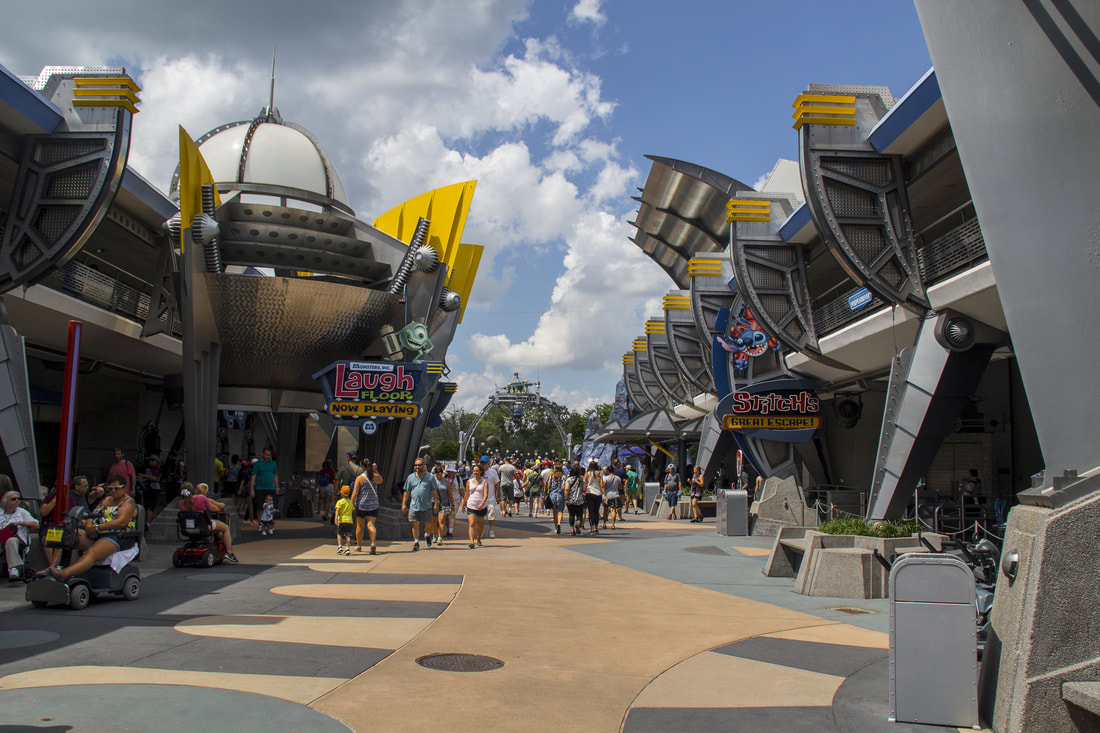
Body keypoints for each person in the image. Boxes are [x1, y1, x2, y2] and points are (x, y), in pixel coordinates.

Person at [37, 474, 141, 581]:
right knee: (67, 534)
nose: (113, 491)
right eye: (111, 489)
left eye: (116, 489)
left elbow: (121, 522)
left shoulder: (128, 502)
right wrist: (88, 526)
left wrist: (97, 527)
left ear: (123, 487)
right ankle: (52, 567)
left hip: (117, 535)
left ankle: (64, 574)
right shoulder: (106, 500)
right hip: (97, 533)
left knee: (91, 553)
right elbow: (91, 515)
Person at [182, 482, 239, 563]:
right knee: (225, 528)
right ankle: (229, 552)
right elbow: (214, 508)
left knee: (216, 531)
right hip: (204, 525)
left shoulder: (181, 503)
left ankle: (210, 543)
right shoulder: (201, 498)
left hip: (188, 528)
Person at [402, 458, 439, 552]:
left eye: (419, 465)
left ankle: (427, 535)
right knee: (415, 524)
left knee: (428, 525)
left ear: (423, 466)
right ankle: (416, 542)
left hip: (426, 505)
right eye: (416, 465)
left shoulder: (430, 477)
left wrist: (436, 503)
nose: (417, 467)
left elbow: (434, 491)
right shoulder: (410, 477)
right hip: (414, 505)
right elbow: (407, 492)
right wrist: (403, 504)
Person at [1, 490, 38, 581]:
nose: (17, 501)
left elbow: (36, 524)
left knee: (11, 540)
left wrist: (21, 522)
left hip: (18, 539)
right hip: (1, 538)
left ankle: (13, 568)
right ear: (6, 502)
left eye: (18, 499)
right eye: (13, 499)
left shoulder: (21, 512)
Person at [351, 458, 380, 554]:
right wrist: (375, 471)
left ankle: (359, 546)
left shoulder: (360, 478)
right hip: (373, 505)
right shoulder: (375, 476)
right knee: (371, 524)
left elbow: (355, 493)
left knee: (360, 525)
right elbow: (381, 481)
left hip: (361, 505)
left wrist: (351, 504)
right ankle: (372, 543)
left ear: (362, 467)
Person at [462, 463, 490, 548]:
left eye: (477, 471)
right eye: (474, 471)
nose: (475, 472)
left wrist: (482, 503)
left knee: (480, 523)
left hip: (481, 506)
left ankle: (478, 538)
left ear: (481, 472)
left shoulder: (485, 482)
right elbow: (467, 493)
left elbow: (485, 494)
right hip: (471, 504)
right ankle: (471, 541)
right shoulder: (469, 482)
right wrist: (463, 504)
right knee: (472, 523)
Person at [249, 448, 278, 521]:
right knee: (260, 506)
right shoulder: (258, 463)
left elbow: (275, 476)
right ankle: (260, 523)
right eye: (266, 455)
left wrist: (277, 488)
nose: (267, 456)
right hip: (260, 488)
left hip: (271, 488)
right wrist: (252, 489)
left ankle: (270, 523)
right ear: (263, 454)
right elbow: (253, 476)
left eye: (269, 455)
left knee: (272, 506)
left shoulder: (273, 463)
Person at [333, 453, 361, 521]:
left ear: (348, 457)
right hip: (355, 493)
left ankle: (340, 528)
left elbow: (337, 481)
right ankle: (355, 529)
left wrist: (334, 493)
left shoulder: (343, 468)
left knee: (341, 511)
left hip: (344, 494)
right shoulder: (360, 469)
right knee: (354, 513)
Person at [480, 456, 501, 540]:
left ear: (488, 463)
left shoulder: (493, 472)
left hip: (490, 497)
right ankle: (480, 531)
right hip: (480, 498)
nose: (483, 464)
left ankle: (491, 529)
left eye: (485, 462)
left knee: (491, 513)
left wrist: (498, 495)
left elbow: (497, 483)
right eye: (482, 462)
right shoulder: (478, 471)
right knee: (480, 516)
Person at [136, 455, 162, 523]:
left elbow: (155, 478)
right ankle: (151, 521)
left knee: (150, 506)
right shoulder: (148, 469)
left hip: (154, 488)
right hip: (148, 488)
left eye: (153, 460)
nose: (150, 462)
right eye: (150, 460)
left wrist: (143, 476)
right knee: (149, 506)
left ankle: (148, 522)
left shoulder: (157, 469)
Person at [430, 464, 451, 545]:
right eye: (437, 472)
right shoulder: (432, 481)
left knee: (441, 520)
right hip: (434, 502)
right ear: (435, 473)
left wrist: (452, 503)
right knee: (434, 521)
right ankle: (434, 535)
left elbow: (449, 492)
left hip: (444, 503)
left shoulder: (446, 481)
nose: (439, 474)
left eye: (440, 472)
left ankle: (440, 537)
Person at [584, 461, 604, 536]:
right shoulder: (599, 474)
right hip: (598, 493)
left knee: (591, 511)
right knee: (596, 511)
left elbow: (585, 484)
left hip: (589, 492)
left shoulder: (587, 474)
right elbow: (602, 485)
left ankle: (592, 527)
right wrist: (604, 494)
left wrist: (584, 491)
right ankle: (596, 526)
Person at [545, 463, 566, 534]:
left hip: (552, 494)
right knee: (560, 511)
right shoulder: (564, 476)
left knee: (554, 512)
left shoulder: (552, 475)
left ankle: (556, 527)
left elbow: (548, 485)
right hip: (560, 494)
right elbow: (563, 487)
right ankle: (559, 523)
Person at [564, 465, 586, 535]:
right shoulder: (582, 479)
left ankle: (572, 529)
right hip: (579, 499)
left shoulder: (569, 479)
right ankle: (578, 523)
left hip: (571, 499)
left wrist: (566, 498)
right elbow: (584, 489)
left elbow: (567, 489)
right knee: (579, 514)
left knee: (571, 514)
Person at [333, 486, 354, 555]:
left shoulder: (340, 502)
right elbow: (352, 510)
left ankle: (340, 546)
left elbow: (337, 510)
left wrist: (336, 518)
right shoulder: (350, 502)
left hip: (341, 520)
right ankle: (347, 548)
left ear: (341, 493)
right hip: (349, 521)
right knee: (347, 535)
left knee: (339, 533)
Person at [602, 465, 623, 529]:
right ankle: (613, 524)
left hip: (607, 495)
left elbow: (603, 487)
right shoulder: (618, 478)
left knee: (605, 510)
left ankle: (604, 523)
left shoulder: (605, 478)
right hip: (615, 495)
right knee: (613, 510)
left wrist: (604, 495)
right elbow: (620, 487)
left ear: (607, 471)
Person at [235, 458, 255, 524]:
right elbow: (243, 481)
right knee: (250, 505)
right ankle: (252, 520)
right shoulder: (245, 473)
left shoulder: (240, 471)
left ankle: (231, 516)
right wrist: (240, 489)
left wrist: (239, 489)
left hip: (240, 488)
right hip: (245, 489)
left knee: (238, 504)